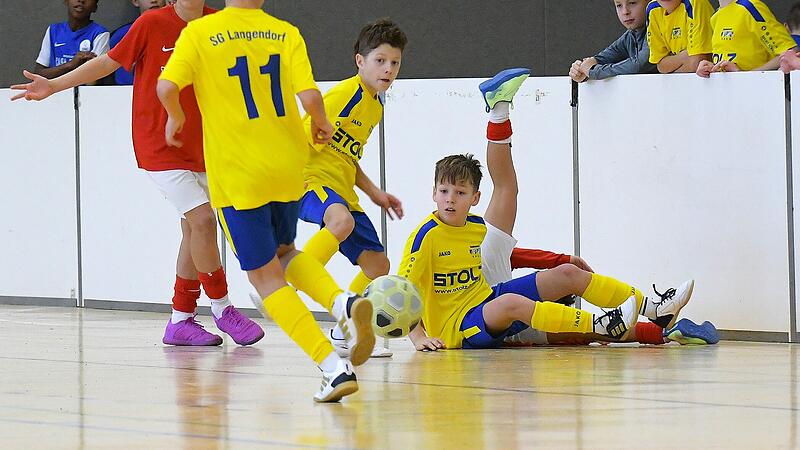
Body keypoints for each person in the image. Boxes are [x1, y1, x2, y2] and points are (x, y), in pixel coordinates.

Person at [11, 0, 265, 348]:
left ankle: (181, 321)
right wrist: (55, 86)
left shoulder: (220, 24)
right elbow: (106, 62)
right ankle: (223, 308)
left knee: (193, 229)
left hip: (206, 146)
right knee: (203, 220)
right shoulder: (150, 24)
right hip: (158, 144)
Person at [157, 0, 376, 403]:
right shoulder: (285, 32)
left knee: (265, 278)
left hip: (239, 174)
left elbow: (166, 86)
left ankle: (333, 367)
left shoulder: (201, 32)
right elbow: (310, 96)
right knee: (285, 252)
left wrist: (175, 115)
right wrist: (322, 124)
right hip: (288, 166)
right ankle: (343, 301)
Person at [402, 68, 694, 352]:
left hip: (488, 300)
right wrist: (417, 337)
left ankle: (653, 308)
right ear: (433, 193)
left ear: (475, 198)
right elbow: (403, 291)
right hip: (463, 327)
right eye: (444, 192)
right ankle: (607, 324)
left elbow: (510, 254)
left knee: (566, 274)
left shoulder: (476, 227)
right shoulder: (426, 236)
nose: (450, 199)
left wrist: (560, 261)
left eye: (459, 193)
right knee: (524, 307)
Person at [298, 19, 406, 359]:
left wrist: (375, 193)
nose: (388, 69)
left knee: (378, 266)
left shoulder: (375, 106)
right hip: (310, 179)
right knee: (340, 222)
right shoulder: (346, 94)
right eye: (380, 61)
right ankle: (279, 285)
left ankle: (343, 332)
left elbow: (348, 155)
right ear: (360, 61)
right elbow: (301, 135)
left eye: (395, 63)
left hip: (342, 189)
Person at [698, 0, 797, 77]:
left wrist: (746, 76)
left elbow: (790, 52)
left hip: (757, 91)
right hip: (727, 91)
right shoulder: (714, 17)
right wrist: (711, 69)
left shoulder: (750, 7)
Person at [569, 0, 658, 82]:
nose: (625, 12)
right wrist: (581, 69)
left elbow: (640, 65)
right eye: (619, 5)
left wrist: (593, 71)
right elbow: (602, 58)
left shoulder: (658, 28)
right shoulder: (630, 35)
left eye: (632, 3)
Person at [35, 0, 110, 80]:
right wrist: (70, 65)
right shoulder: (53, 30)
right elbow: (38, 74)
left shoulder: (100, 34)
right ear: (66, 1)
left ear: (95, 7)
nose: (81, 0)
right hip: (54, 88)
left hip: (83, 88)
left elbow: (95, 78)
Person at [646, 0, 714, 74]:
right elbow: (661, 66)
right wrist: (684, 56)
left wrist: (671, 67)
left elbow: (697, 63)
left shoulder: (695, 3)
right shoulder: (653, 9)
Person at [108, 0, 166, 85]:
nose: (154, 1)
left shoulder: (179, 31)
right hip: (124, 90)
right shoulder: (121, 34)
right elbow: (106, 69)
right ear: (135, 1)